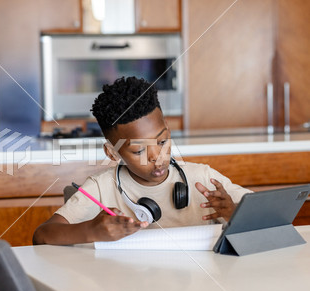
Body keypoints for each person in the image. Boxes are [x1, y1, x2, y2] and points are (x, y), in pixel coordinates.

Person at [33, 77, 251, 245]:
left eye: (162, 141)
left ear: (168, 129)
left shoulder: (204, 178)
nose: (157, 157)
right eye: (139, 151)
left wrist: (234, 213)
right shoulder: (100, 188)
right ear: (113, 153)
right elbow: (42, 236)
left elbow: (269, 216)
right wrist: (90, 230)